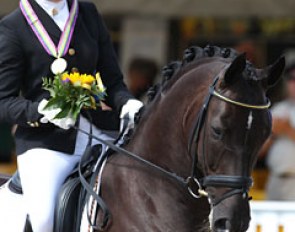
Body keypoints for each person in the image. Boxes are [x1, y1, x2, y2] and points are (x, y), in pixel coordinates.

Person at [0, 0, 142, 231]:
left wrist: (128, 103)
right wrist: (42, 111)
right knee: (44, 218)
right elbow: (3, 101)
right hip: (46, 143)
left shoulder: (87, 13)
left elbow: (112, 80)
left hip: (99, 134)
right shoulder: (13, 26)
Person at [264, 62, 295, 200]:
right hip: (275, 178)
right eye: (291, 78)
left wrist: (288, 130)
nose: (293, 83)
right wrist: (272, 134)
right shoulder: (278, 109)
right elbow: (258, 152)